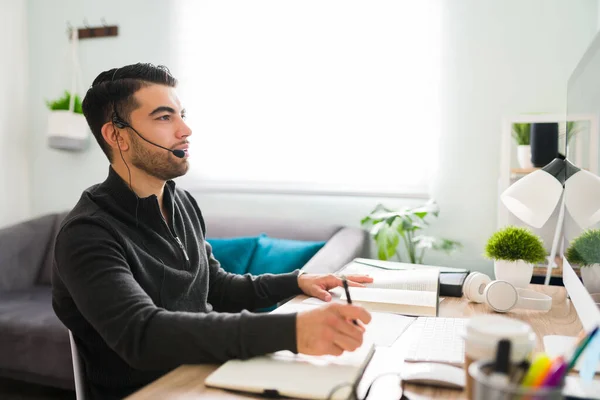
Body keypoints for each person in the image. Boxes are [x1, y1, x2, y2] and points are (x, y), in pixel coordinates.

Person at [51, 63, 373, 400]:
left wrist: (294, 281)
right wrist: (292, 331)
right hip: (159, 391)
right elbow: (142, 335)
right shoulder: (87, 232)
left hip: (209, 371)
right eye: (164, 117)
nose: (185, 129)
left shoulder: (181, 203)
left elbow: (215, 286)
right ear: (117, 135)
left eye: (182, 115)